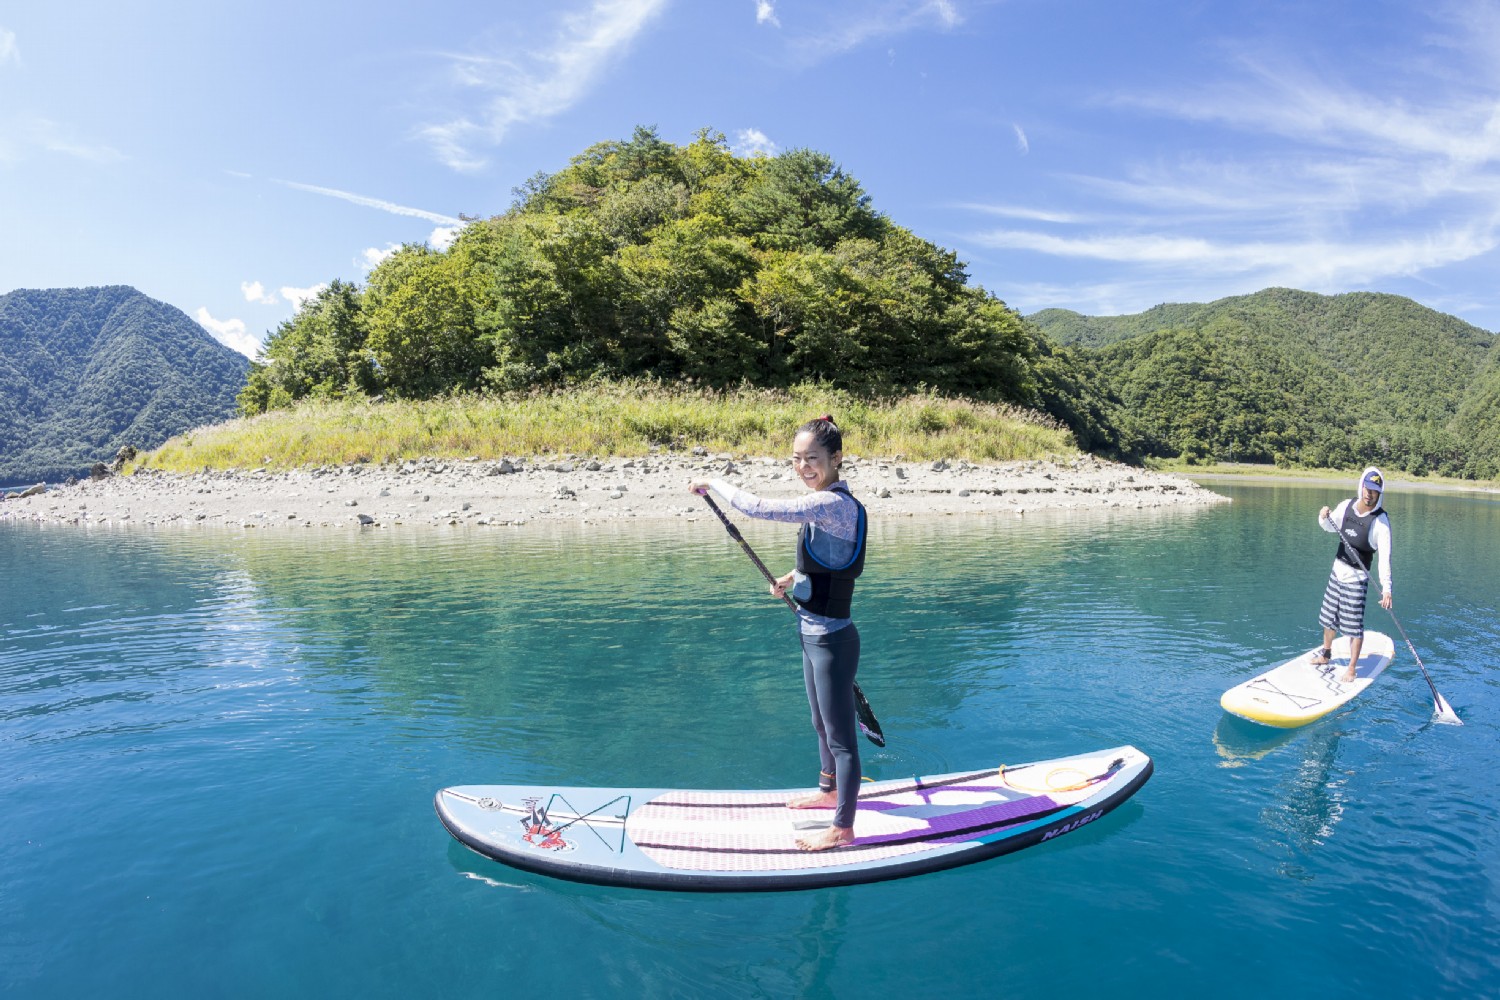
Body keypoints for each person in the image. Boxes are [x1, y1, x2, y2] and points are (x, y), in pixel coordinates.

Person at [688, 415, 867, 852]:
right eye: (797, 459)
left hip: (832, 640)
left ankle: (843, 827)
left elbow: (759, 508)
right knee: (819, 723)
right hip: (811, 631)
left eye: (813, 459)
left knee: (842, 739)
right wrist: (792, 579)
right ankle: (828, 792)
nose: (804, 467)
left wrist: (713, 481)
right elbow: (825, 565)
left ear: (836, 459)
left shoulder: (834, 505)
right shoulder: (825, 504)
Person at [1312, 466, 1393, 683]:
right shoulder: (1346, 506)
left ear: (1379, 493)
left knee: (1353, 627)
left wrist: (1387, 589)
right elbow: (1330, 527)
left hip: (1357, 580)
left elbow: (1385, 557)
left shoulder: (1381, 522)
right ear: (1362, 487)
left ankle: (1351, 668)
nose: (1369, 494)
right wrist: (1323, 517)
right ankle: (1326, 654)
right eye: (1367, 488)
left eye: (1374, 491)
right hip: (1337, 572)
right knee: (1328, 618)